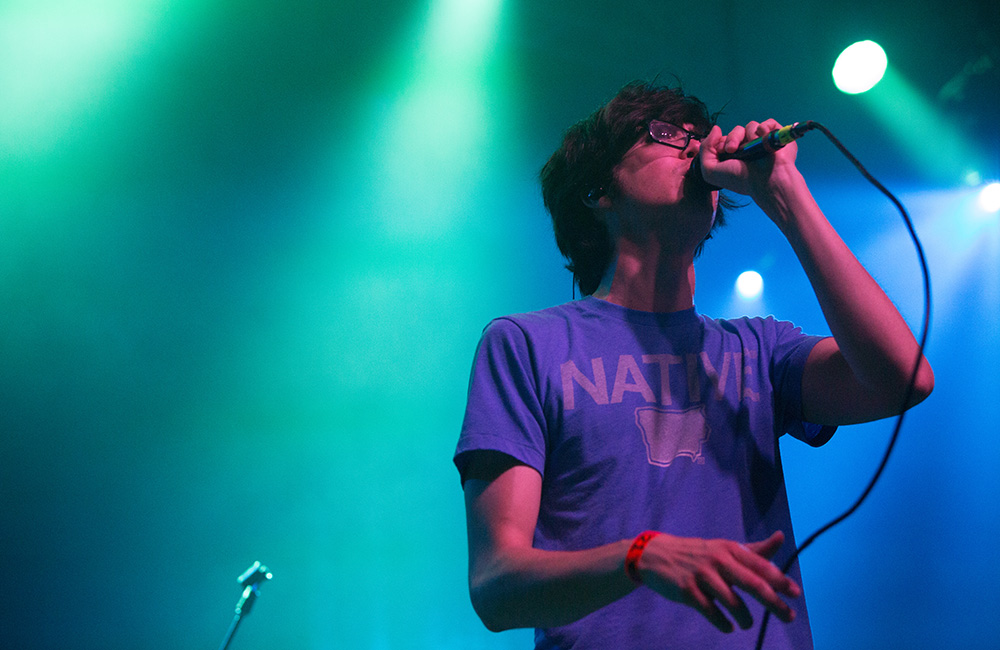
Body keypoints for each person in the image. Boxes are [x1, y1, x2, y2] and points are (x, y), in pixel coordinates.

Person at [453, 80, 933, 649]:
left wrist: (786, 194)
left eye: (697, 133)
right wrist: (642, 556)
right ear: (597, 191)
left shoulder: (758, 349)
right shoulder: (525, 345)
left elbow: (904, 379)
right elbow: (496, 586)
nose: (693, 145)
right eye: (662, 133)